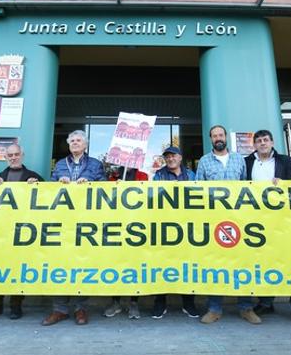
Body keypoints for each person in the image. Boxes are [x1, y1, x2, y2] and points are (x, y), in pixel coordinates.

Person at [196, 125, 261, 325]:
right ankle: (214, 309)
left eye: (220, 135)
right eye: (214, 135)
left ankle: (245, 307)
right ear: (211, 139)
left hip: (238, 220)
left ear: (225, 137)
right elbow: (198, 189)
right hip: (214, 221)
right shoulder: (204, 162)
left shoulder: (239, 159)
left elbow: (245, 187)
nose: (218, 138)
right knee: (215, 265)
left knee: (242, 263)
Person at [244, 129, 291, 323]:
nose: (262, 143)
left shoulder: (286, 161)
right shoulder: (247, 162)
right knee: (264, 261)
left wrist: (285, 183)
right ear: (254, 144)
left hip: (283, 218)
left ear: (272, 142)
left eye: (266, 140)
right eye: (259, 141)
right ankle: (266, 302)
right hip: (257, 220)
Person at [43, 130, 105, 326]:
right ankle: (59, 310)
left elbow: (105, 187)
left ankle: (81, 309)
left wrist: (92, 183)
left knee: (83, 264)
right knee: (59, 264)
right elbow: (50, 189)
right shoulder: (60, 164)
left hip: (87, 221)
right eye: (72, 141)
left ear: (85, 145)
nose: (75, 143)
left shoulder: (95, 164)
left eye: (79, 141)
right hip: (62, 222)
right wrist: (57, 184)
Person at [0, 143, 45, 321]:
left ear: (22, 155)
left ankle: (16, 306)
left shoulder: (34, 177)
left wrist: (38, 186)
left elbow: (47, 199)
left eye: (16, 154)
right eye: (10, 155)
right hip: (0, 232)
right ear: (6, 158)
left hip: (24, 232)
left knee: (18, 268)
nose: (13, 157)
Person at [150, 146, 199, 319]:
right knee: (161, 265)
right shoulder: (158, 175)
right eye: (168, 156)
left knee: (188, 265)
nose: (170, 159)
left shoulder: (191, 175)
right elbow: (153, 196)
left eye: (173, 156)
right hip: (164, 226)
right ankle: (160, 303)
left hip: (187, 226)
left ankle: (188, 303)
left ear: (180, 157)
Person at [103, 166, 148, 319]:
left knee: (134, 265)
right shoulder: (113, 176)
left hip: (136, 227)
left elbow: (146, 195)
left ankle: (134, 303)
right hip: (116, 227)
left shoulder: (143, 176)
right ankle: (116, 302)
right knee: (115, 264)